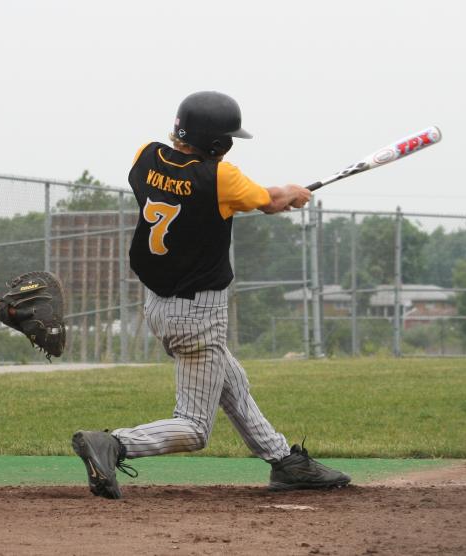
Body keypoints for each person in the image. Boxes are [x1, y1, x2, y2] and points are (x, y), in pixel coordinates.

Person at [71, 91, 350, 499]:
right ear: (218, 144)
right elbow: (268, 201)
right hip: (199, 312)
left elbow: (243, 197)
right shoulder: (221, 177)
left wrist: (279, 195)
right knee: (195, 427)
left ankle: (284, 462)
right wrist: (290, 193)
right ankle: (114, 444)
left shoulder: (144, 156)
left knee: (233, 384)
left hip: (158, 304)